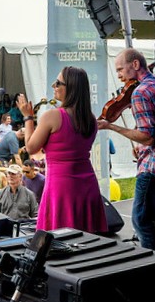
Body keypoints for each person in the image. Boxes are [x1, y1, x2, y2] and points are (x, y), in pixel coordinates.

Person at [98, 49, 155, 254]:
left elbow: (148, 136)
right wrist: (143, 144)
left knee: (142, 220)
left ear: (135, 65)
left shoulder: (141, 92)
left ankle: (154, 270)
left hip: (154, 167)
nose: (119, 75)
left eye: (120, 69)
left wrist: (111, 127)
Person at [17, 67, 107, 234]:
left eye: (58, 83)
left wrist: (28, 117)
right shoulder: (91, 119)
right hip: (87, 185)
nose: (54, 86)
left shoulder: (52, 116)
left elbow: (30, 147)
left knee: (60, 239)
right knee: (88, 240)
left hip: (62, 186)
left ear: (71, 88)